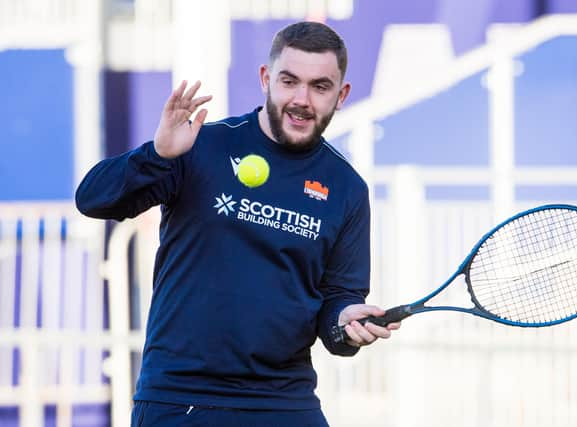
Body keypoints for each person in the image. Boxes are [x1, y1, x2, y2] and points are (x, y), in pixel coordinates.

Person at [76, 21, 400, 426]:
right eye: (289, 81)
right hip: (182, 398)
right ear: (266, 79)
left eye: (320, 86)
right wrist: (158, 155)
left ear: (341, 95)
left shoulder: (347, 189)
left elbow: (338, 300)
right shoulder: (200, 146)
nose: (301, 99)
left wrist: (344, 324)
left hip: (284, 403)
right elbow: (92, 200)